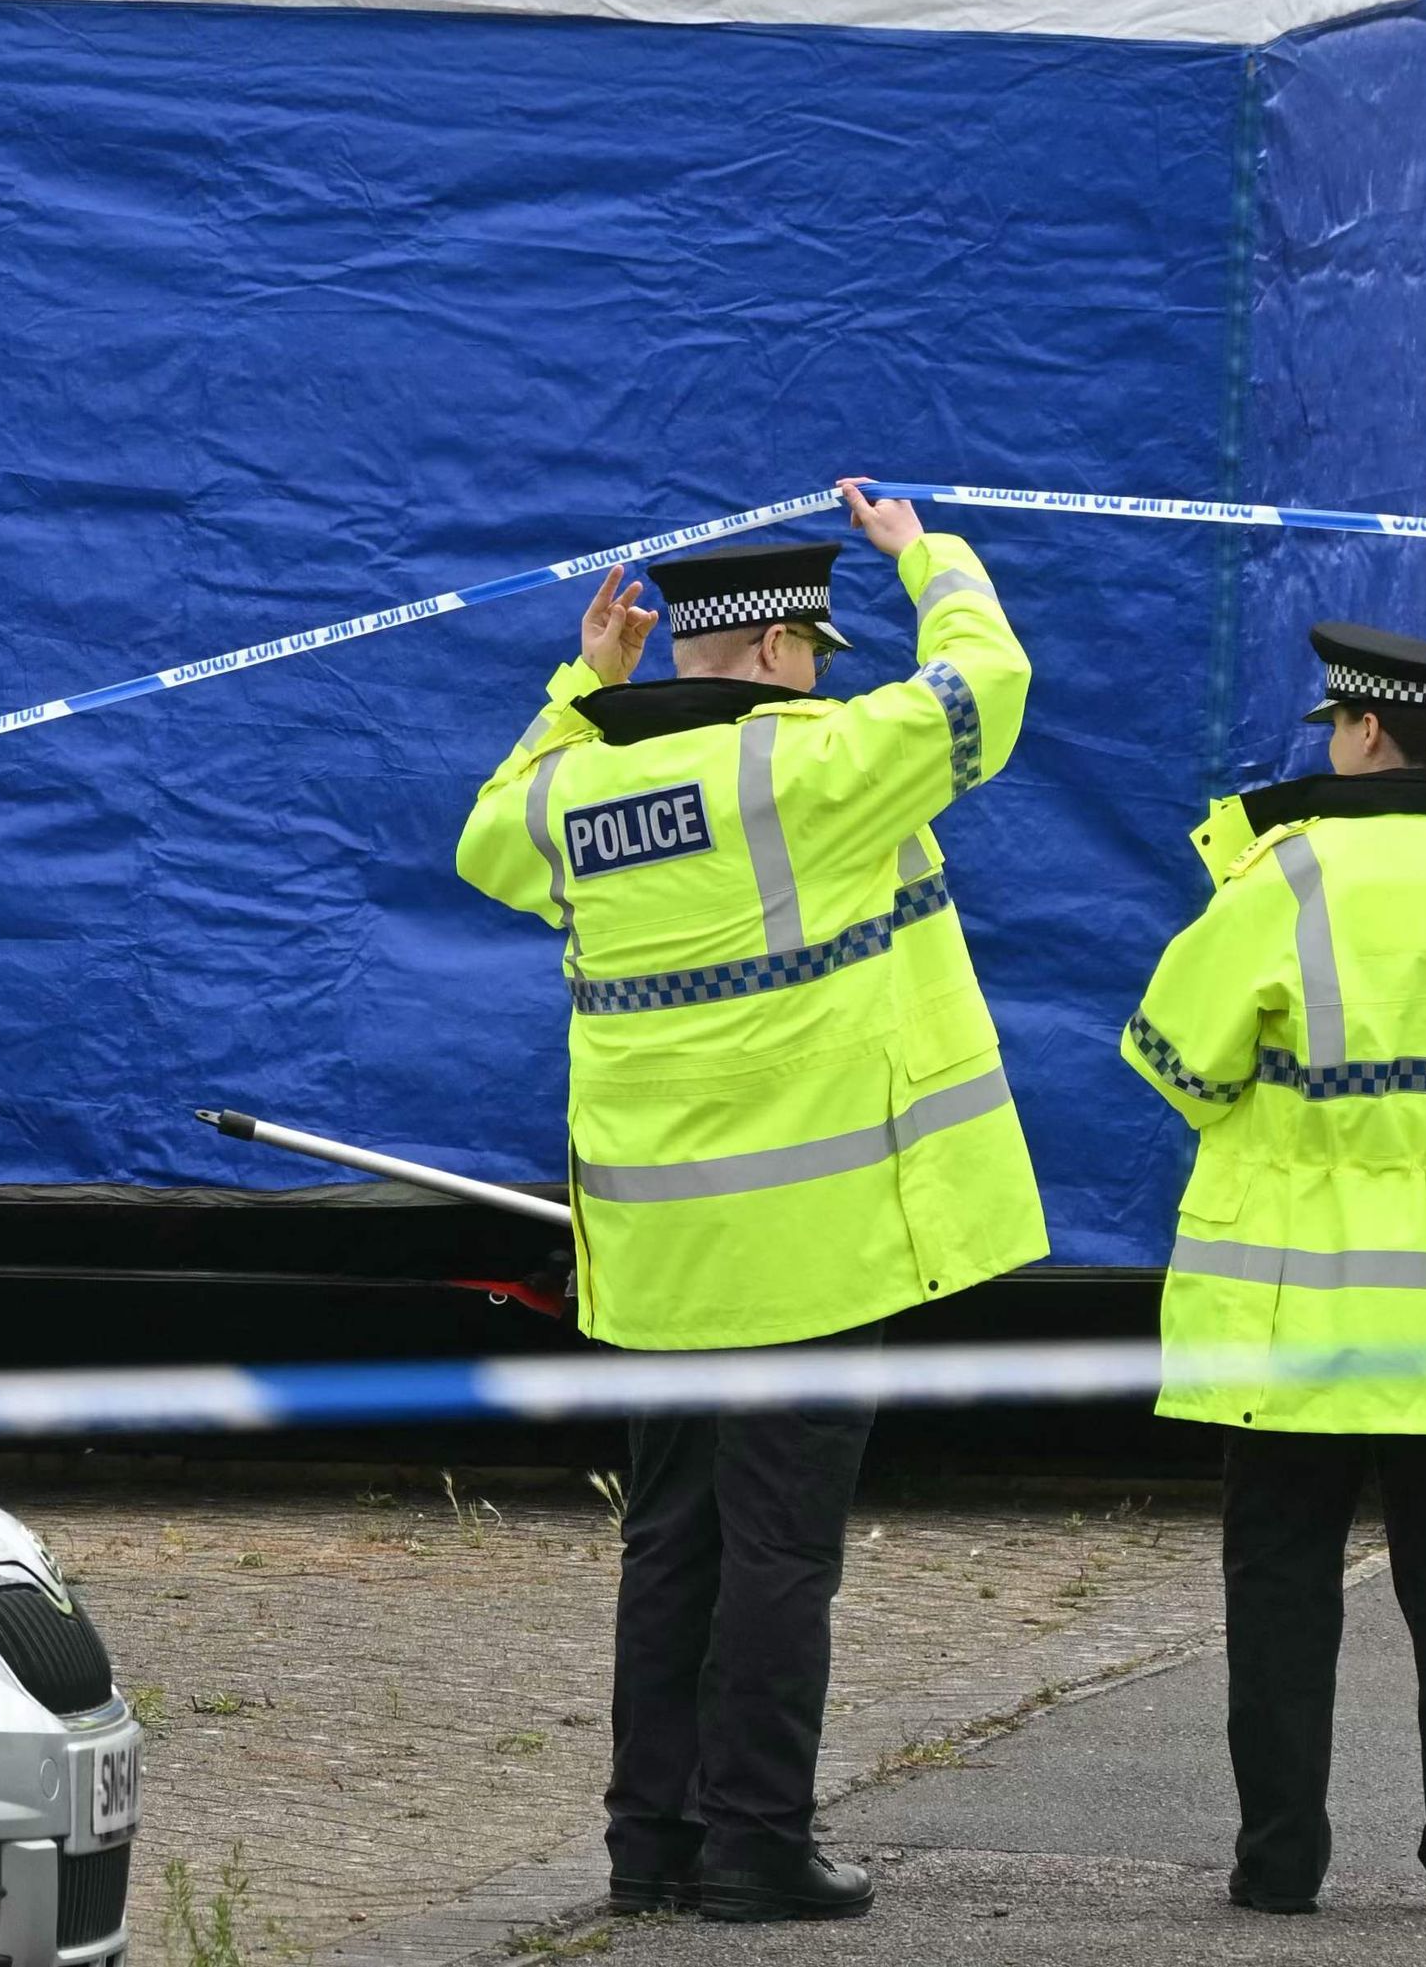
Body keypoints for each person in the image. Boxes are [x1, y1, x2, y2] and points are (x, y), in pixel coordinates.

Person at [457, 481, 1049, 1925]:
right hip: (815, 1246)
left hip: (661, 1249)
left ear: (684, 653)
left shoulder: (574, 788)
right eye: (819, 650)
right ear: (783, 647)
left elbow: (484, 839)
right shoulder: (823, 764)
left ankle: (646, 1844)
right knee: (784, 1554)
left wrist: (579, 686)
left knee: (671, 1544)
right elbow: (988, 682)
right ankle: (756, 1844)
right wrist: (930, 555)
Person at [1120, 622, 1426, 1918]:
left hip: (1295, 1300)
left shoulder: (1291, 874)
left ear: (1366, 730)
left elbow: (1174, 1057)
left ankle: (1279, 1864)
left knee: (1280, 1577)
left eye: (1334, 726)